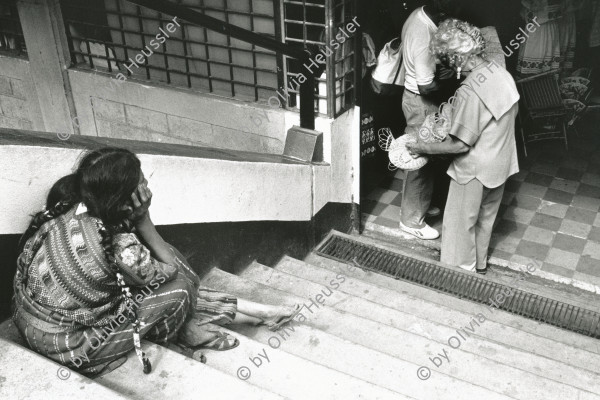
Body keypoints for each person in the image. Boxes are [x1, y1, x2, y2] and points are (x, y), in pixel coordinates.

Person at [13, 147, 300, 377]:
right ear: (126, 202)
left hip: (30, 318)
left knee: (159, 274)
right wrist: (144, 220)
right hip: (70, 343)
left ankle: (254, 313)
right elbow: (175, 273)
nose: (147, 185)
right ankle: (187, 331)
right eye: (141, 181)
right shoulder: (123, 249)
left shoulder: (73, 206)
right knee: (178, 287)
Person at [406, 19, 520, 274]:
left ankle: (458, 276)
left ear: (457, 59)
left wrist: (422, 147)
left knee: (459, 227)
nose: (442, 65)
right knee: (484, 222)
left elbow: (459, 146)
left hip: (474, 171)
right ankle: (478, 269)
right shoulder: (500, 73)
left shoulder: (471, 90)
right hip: (500, 164)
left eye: (444, 60)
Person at [398, 0, 463, 240]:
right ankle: (411, 220)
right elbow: (426, 86)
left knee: (427, 156)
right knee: (420, 157)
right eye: (452, 16)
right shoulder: (422, 34)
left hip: (415, 98)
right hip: (421, 102)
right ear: (442, 10)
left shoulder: (420, 14)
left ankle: (419, 205)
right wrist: (448, 83)